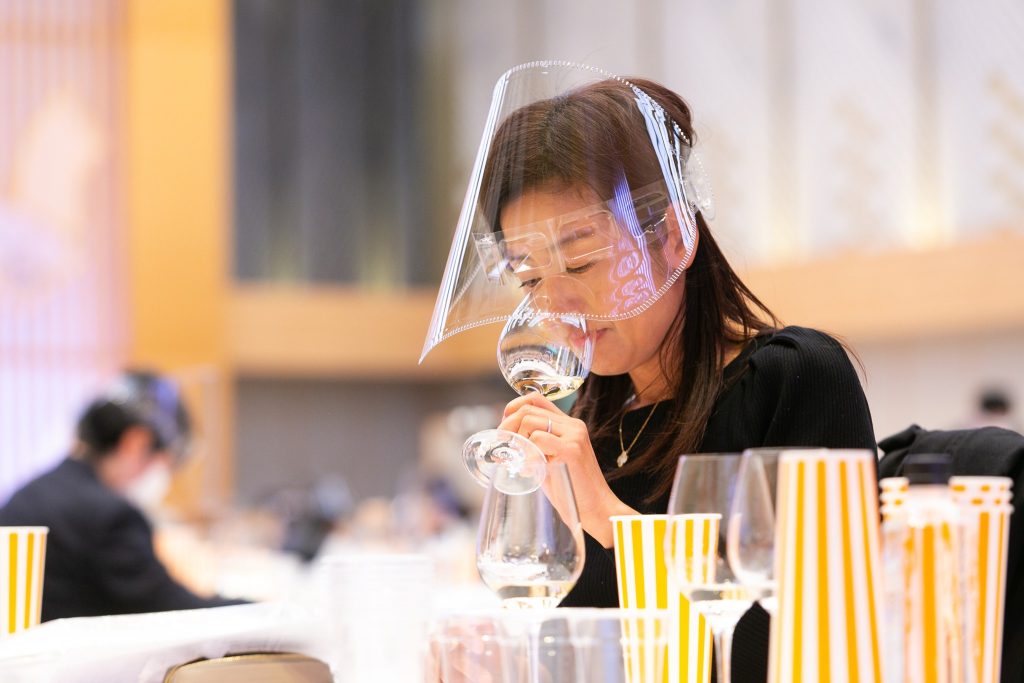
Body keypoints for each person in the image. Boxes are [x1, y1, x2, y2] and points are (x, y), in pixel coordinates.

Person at [421, 63, 876, 683]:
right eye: (529, 278)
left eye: (581, 261)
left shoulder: (795, 379)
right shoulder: (593, 419)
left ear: (673, 238)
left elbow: (814, 642)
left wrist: (607, 518)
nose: (556, 305)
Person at [0, 369, 246, 620]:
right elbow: (174, 610)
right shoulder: (110, 516)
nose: (164, 478)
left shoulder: (32, 493)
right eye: (166, 463)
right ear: (135, 443)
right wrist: (258, 610)